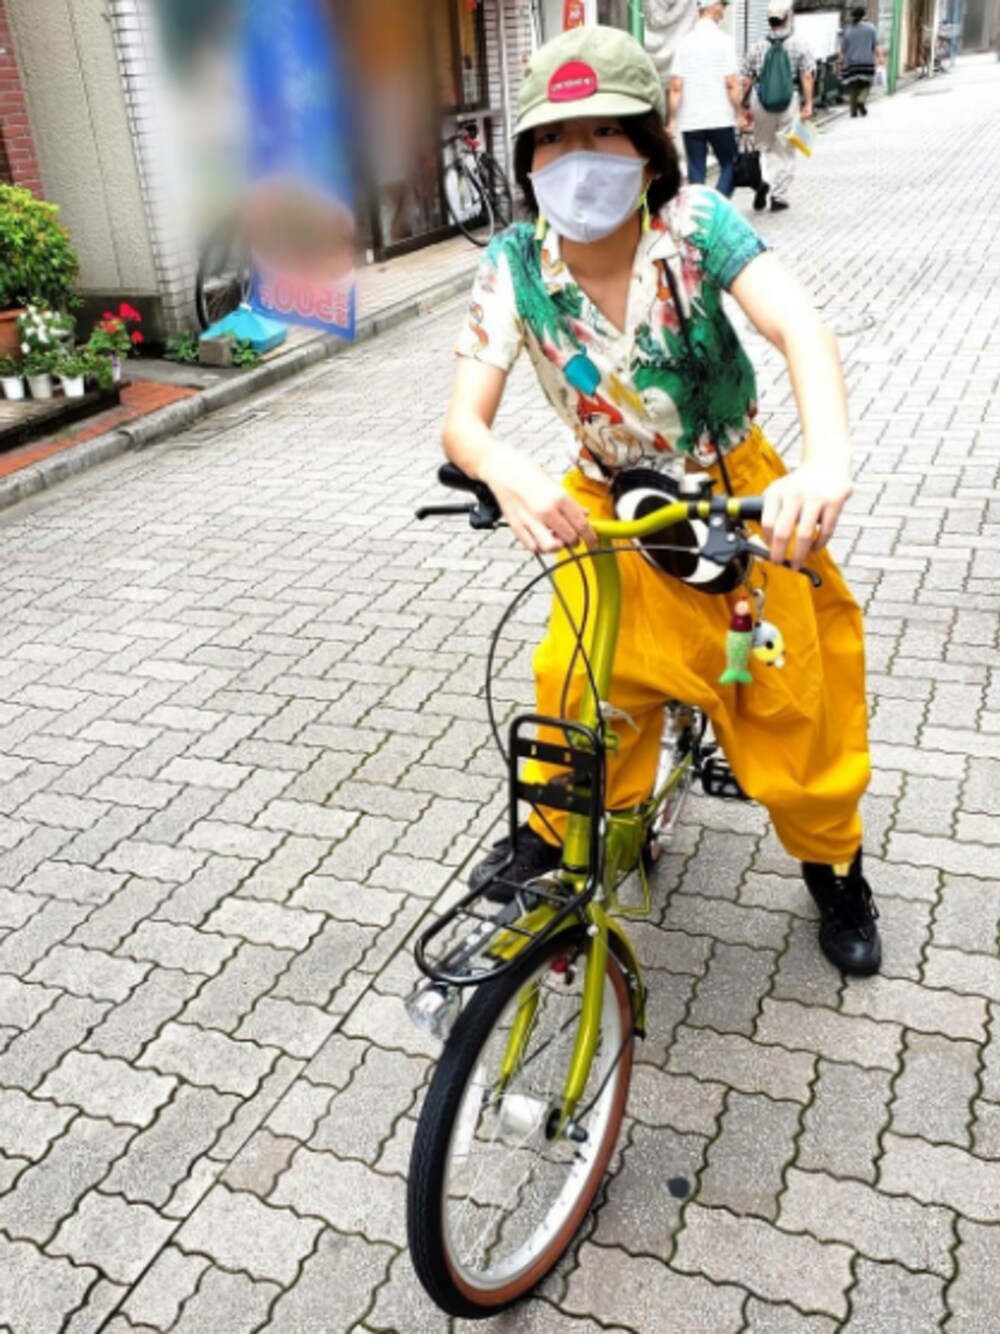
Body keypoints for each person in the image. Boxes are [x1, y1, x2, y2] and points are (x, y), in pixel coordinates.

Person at [444, 25, 880, 975]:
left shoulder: (698, 226)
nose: (577, 157)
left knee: (792, 709)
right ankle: (560, 834)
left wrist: (825, 462)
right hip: (605, 502)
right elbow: (464, 424)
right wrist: (503, 468)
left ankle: (833, 861)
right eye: (554, 137)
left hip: (735, 499)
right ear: (526, 157)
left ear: (649, 144)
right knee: (574, 682)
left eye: (605, 130)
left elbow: (801, 328)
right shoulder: (512, 265)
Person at [667, 0, 748, 197]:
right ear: (715, 7)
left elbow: (676, 85)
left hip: (691, 120)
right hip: (720, 117)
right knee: (730, 164)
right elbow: (731, 82)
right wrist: (739, 113)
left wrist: (672, 120)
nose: (723, 11)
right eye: (723, 6)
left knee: (696, 175)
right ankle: (715, 207)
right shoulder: (725, 41)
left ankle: (700, 211)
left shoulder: (684, 43)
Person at [742, 0, 816, 213]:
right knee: (787, 151)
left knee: (762, 146)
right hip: (788, 101)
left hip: (761, 101)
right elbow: (807, 76)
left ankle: (763, 180)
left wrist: (743, 106)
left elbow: (746, 79)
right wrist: (808, 103)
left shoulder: (757, 46)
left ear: (769, 20)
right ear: (787, 18)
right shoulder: (800, 44)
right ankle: (779, 196)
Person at [838, 6, 883, 118]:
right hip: (866, 62)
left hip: (851, 64)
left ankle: (853, 112)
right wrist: (880, 57)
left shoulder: (848, 31)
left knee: (853, 87)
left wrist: (840, 63)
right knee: (867, 84)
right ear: (863, 16)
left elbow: (843, 51)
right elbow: (875, 45)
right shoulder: (870, 28)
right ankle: (861, 100)